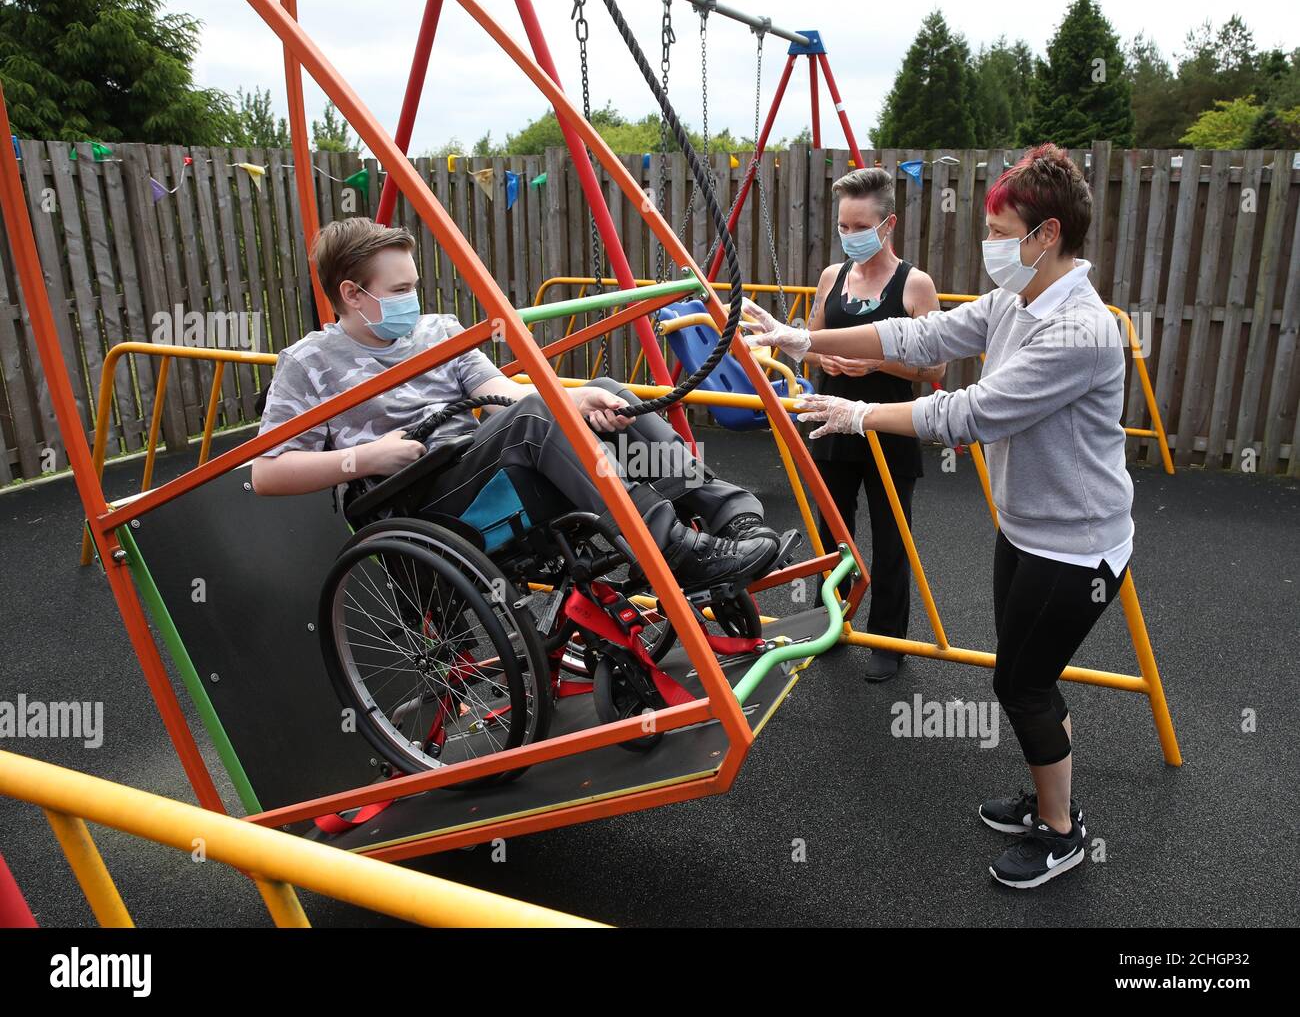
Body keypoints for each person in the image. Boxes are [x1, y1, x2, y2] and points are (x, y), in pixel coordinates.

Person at [743, 143, 1133, 889]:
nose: (990, 246)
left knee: (1021, 684)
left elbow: (971, 412)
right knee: (1032, 681)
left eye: (1001, 230)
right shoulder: (1019, 302)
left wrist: (860, 413)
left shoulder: (1079, 328)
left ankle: (1062, 832)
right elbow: (922, 337)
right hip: (1028, 530)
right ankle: (1051, 799)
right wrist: (805, 338)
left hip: (1077, 548)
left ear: (1045, 236)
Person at [252, 217, 788, 591]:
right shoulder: (307, 364)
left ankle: (730, 514)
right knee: (536, 420)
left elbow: (504, 391)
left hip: (475, 461)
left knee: (610, 394)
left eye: (413, 285)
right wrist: (362, 460)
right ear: (352, 294)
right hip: (417, 496)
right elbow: (266, 474)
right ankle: (668, 548)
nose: (413, 300)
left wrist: (577, 398)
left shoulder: (439, 331)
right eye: (400, 289)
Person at [804, 167, 943, 680]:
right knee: (831, 532)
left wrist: (876, 362)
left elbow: (935, 367)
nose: (849, 235)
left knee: (891, 538)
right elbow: (812, 346)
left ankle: (888, 641)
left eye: (859, 225)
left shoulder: (915, 284)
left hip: (889, 425)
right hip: (832, 422)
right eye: (843, 225)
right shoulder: (831, 278)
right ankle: (833, 624)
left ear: (888, 226)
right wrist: (827, 362)